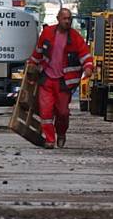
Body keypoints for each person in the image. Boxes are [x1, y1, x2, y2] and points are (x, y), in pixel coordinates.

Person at [28, 8, 93, 149]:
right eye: (65, 18)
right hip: (47, 79)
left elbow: (85, 55)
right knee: (45, 112)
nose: (68, 21)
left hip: (64, 83)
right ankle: (50, 140)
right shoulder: (47, 33)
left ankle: (61, 133)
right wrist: (32, 66)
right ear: (58, 19)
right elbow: (37, 53)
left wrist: (88, 67)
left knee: (63, 113)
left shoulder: (75, 37)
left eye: (69, 19)